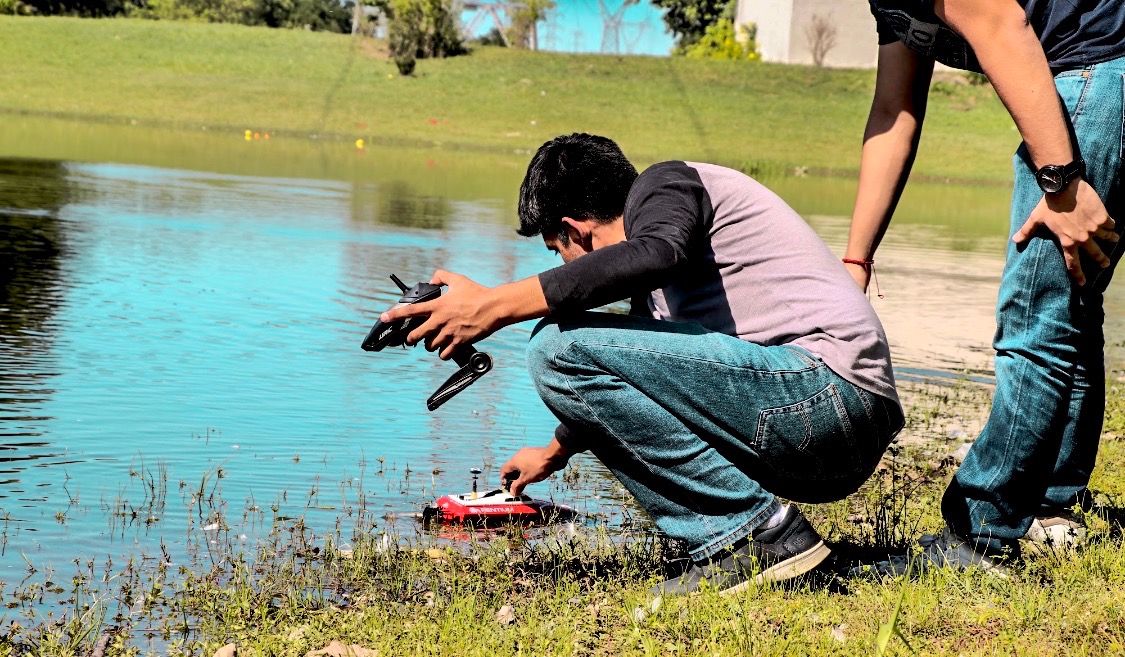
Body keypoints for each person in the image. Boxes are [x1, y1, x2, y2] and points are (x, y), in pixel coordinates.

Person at [381, 133, 904, 594]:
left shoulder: (667, 185)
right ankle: (756, 539)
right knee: (574, 351)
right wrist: (554, 452)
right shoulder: (652, 291)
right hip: (823, 427)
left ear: (576, 231)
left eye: (555, 250)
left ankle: (752, 537)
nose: (562, 266)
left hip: (829, 395)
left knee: (553, 347)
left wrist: (493, 306)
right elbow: (648, 375)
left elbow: (657, 252)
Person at [845, 0, 1123, 571]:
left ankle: (981, 533)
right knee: (1071, 301)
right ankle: (1049, 503)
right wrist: (857, 259)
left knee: (1035, 319)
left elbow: (1003, 25)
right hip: (1100, 77)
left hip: (1097, 75)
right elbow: (895, 110)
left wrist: (1062, 182)